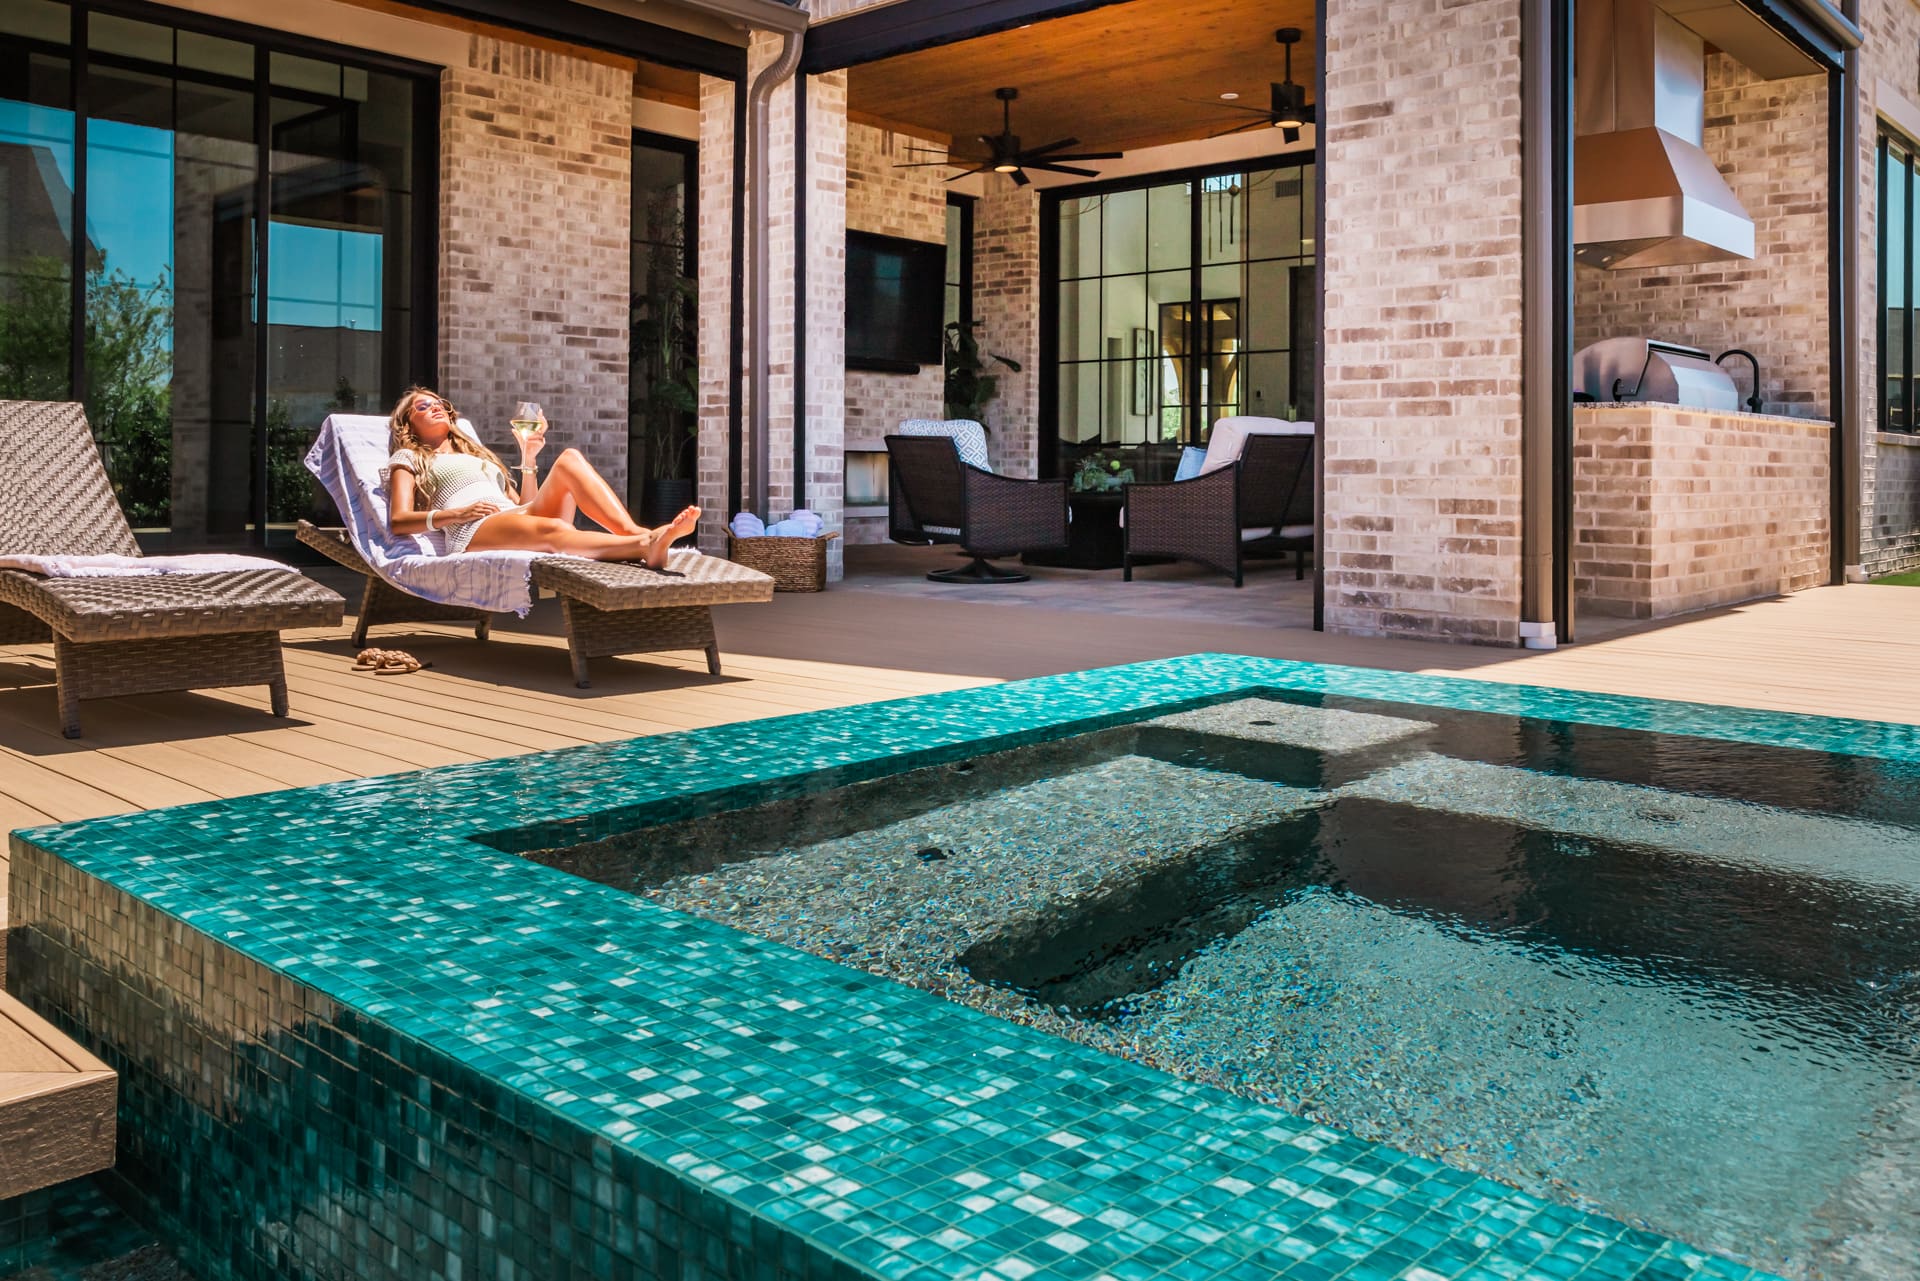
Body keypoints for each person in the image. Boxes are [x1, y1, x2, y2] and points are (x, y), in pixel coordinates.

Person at [384, 387, 698, 568]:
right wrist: (457, 514)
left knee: (569, 459)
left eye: (439, 403)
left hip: (509, 517)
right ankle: (644, 544)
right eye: (423, 406)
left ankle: (637, 533)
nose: (435, 407)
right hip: (472, 530)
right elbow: (399, 520)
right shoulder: (411, 458)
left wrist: (528, 456)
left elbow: (526, 505)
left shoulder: (478, 456)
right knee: (552, 528)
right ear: (408, 424)